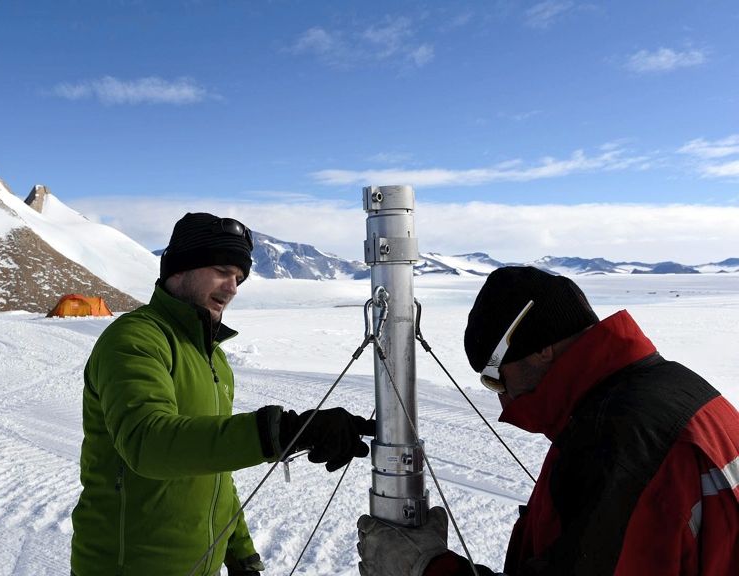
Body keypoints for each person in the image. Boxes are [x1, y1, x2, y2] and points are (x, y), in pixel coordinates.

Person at [357, 266, 739, 575]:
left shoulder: (617, 441)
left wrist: (427, 570)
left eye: (495, 374)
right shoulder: (675, 388)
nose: (501, 395)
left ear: (541, 347)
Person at [71, 212, 375, 576]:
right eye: (221, 270)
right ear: (179, 269)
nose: (232, 288)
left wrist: (240, 552)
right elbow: (147, 443)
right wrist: (283, 432)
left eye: (239, 278)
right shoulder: (136, 339)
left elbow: (215, 467)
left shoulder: (212, 356)